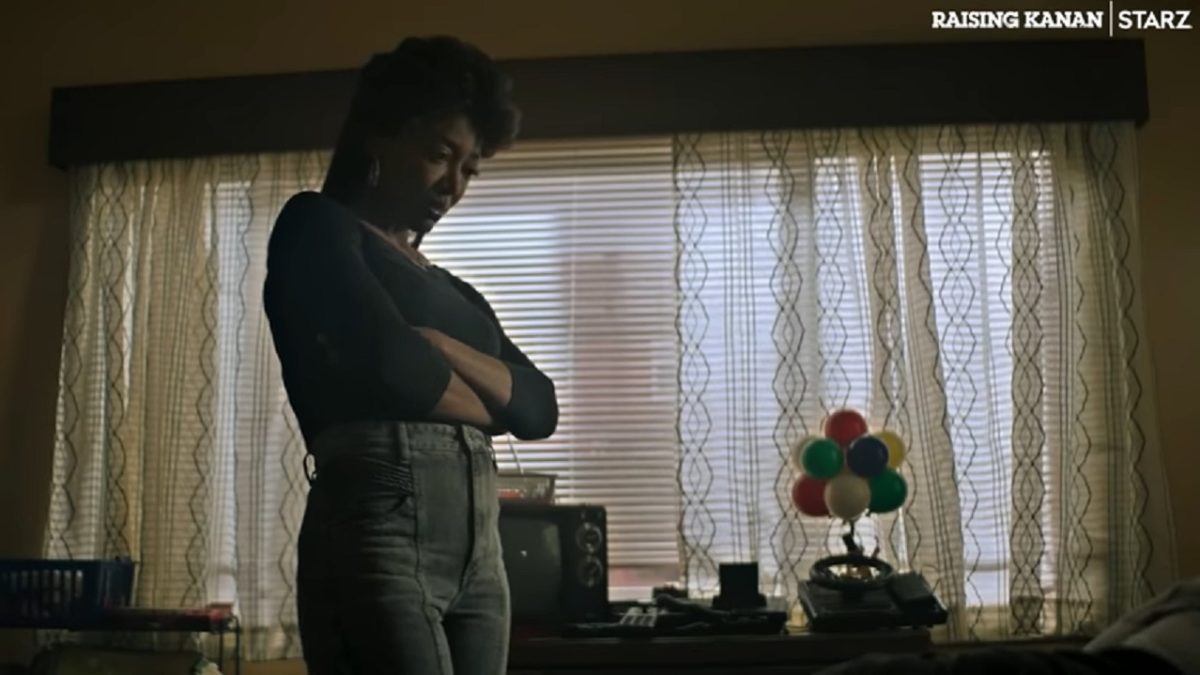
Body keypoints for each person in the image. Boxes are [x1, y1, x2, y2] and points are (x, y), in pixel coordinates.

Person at [263, 36, 558, 675]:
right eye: (438, 155)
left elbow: (540, 408)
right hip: (380, 531)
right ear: (380, 135)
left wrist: (439, 344)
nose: (452, 185)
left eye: (470, 169)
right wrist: (495, 403)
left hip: (481, 553)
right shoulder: (316, 226)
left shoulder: (456, 293)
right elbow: (396, 371)